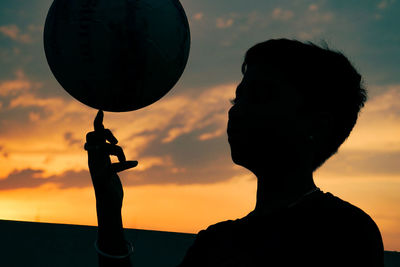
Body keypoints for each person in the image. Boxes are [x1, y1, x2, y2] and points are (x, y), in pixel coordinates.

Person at [84, 39, 384, 267]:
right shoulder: (215, 243)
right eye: (237, 97)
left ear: (316, 124)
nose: (236, 111)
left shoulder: (343, 234)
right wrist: (109, 210)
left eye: (260, 96)